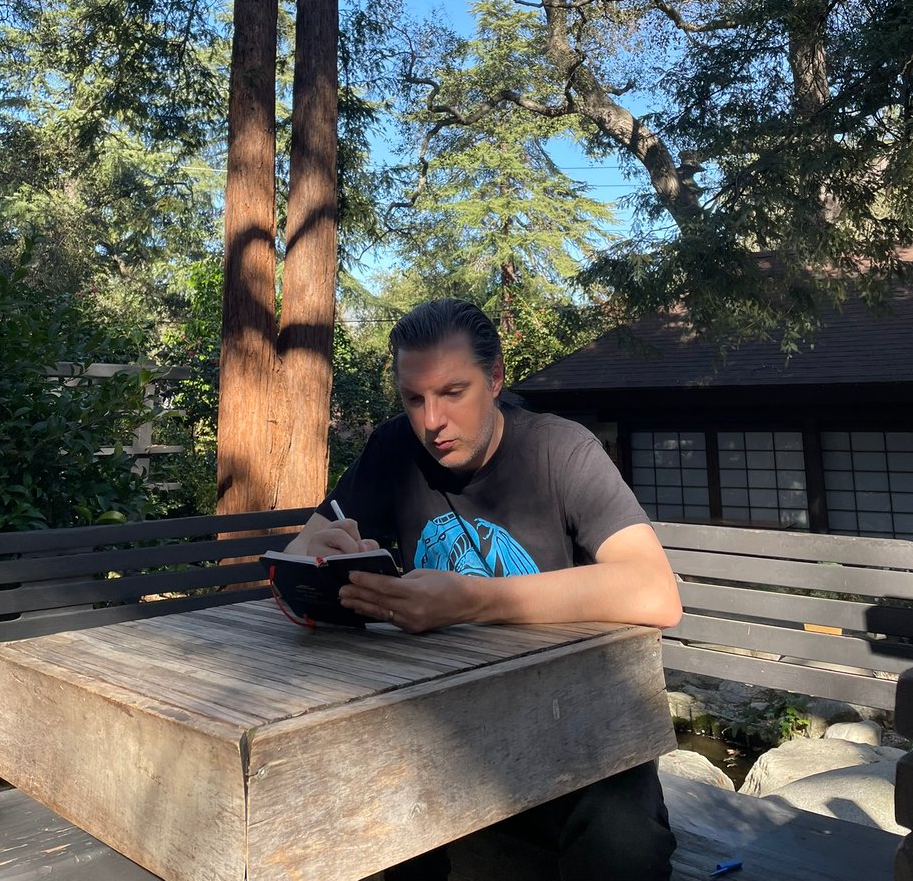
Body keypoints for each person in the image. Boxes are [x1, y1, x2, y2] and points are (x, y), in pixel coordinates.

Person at [286, 298, 682, 881]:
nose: (431, 421)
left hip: (576, 721)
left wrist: (472, 600)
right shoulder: (394, 449)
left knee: (622, 853)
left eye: (453, 392)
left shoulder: (562, 451)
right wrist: (326, 554)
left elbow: (656, 591)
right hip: (443, 727)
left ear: (495, 379)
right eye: (413, 398)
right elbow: (299, 552)